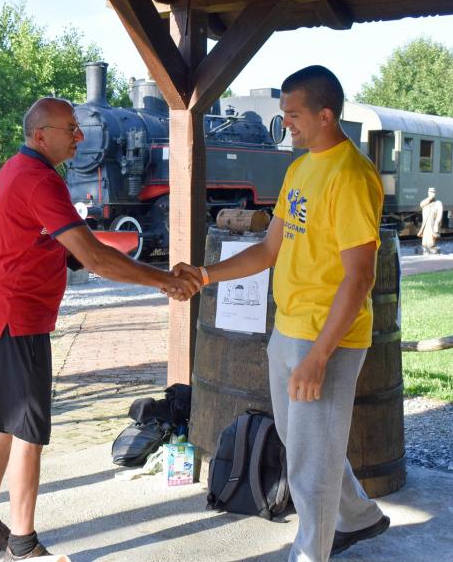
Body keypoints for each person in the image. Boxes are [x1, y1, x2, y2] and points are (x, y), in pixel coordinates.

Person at [0, 97, 201, 560]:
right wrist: (164, 281)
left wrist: (71, 249)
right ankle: (23, 543)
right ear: (40, 136)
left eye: (77, 127)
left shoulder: (15, 169)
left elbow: (52, 243)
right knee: (29, 433)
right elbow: (92, 256)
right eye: (69, 128)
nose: (78, 135)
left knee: (2, 425)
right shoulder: (38, 180)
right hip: (20, 318)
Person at [175, 66, 389, 561]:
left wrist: (319, 355)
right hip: (288, 328)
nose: (285, 124)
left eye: (292, 115)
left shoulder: (352, 176)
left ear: (325, 115)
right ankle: (360, 518)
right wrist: (204, 276)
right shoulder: (299, 169)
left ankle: (310, 552)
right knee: (304, 446)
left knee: (310, 465)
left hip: (327, 340)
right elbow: (270, 248)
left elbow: (358, 277)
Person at [418, 187, 443, 254]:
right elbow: (421, 204)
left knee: (431, 239)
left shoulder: (438, 203)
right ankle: (425, 246)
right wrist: (429, 198)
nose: (431, 194)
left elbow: (439, 215)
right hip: (425, 223)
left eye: (433, 192)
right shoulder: (425, 202)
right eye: (430, 192)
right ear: (428, 193)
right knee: (425, 239)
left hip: (433, 223)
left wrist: (436, 223)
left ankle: (431, 246)